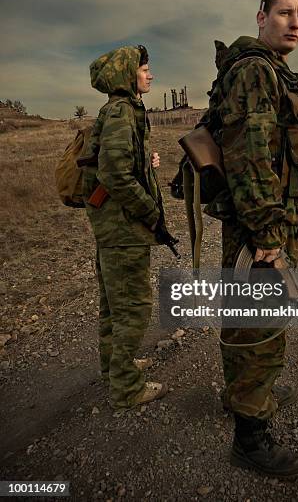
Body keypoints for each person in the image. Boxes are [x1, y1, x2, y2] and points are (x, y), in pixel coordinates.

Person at [211, 0, 298, 476]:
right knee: (260, 327)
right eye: (284, 13)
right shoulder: (257, 70)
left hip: (264, 223)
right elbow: (248, 155)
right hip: (260, 228)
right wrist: (266, 237)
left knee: (249, 320)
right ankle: (250, 439)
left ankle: (244, 396)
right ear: (262, 17)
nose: (294, 22)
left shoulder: (270, 70)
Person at [82, 45, 169, 410]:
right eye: (145, 69)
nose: (150, 75)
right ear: (126, 74)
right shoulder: (121, 111)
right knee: (132, 306)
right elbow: (114, 175)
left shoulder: (121, 111)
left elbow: (120, 161)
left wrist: (147, 161)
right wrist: (151, 212)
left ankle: (114, 368)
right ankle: (126, 387)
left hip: (115, 229)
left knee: (113, 305)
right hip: (122, 230)